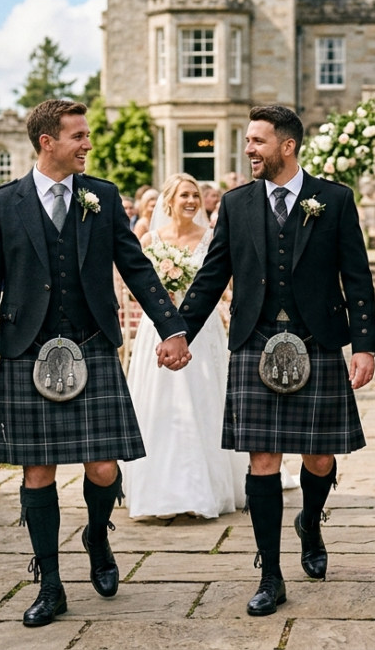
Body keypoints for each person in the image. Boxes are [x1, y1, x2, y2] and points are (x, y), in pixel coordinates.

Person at [0, 99, 192, 628]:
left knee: (104, 466)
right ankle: (49, 582)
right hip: (27, 348)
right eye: (78, 136)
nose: (87, 143)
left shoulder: (101, 198)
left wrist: (172, 324)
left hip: (91, 342)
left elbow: (135, 266)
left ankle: (96, 535)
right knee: (37, 469)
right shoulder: (2, 203)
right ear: (48, 141)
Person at [180, 105, 375, 617]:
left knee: (319, 457)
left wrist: (364, 345)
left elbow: (356, 278)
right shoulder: (237, 203)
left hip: (316, 340)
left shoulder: (333, 200)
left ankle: (310, 521)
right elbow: (211, 275)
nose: (249, 150)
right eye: (247, 141)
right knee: (262, 460)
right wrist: (178, 330)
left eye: (257, 141)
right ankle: (270, 572)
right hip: (254, 341)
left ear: (287, 146)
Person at [123, 173, 248, 519]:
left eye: (195, 195)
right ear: (169, 201)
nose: (191, 201)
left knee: (204, 403)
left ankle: (204, 489)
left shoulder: (211, 238)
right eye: (184, 195)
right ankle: (158, 492)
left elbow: (226, 285)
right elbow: (136, 287)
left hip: (201, 330)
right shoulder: (150, 239)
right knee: (158, 407)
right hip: (157, 331)